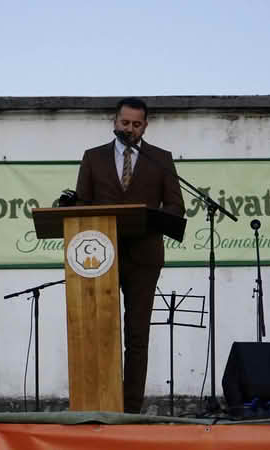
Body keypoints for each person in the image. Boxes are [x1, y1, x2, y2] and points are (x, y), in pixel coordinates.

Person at [75, 97, 185, 413]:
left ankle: (131, 410)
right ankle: (102, 403)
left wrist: (147, 218)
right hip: (101, 257)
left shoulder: (160, 159)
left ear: (145, 127)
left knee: (137, 336)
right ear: (115, 122)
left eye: (137, 124)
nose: (130, 129)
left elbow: (176, 206)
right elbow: (82, 203)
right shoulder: (93, 157)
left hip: (144, 257)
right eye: (125, 123)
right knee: (102, 333)